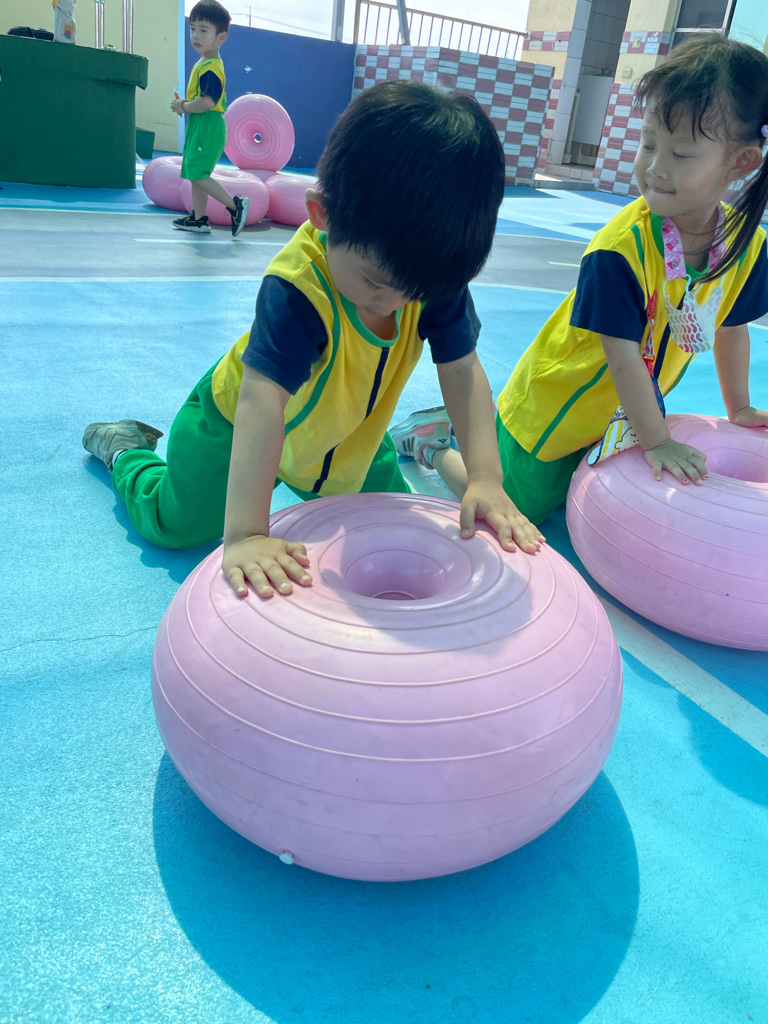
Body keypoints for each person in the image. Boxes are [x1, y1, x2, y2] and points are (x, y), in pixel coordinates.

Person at [82, 80, 544, 599]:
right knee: (174, 526)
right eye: (375, 283)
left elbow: (461, 369)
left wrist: (485, 477)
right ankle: (124, 448)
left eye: (413, 293)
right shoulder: (299, 289)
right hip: (239, 424)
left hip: (350, 436)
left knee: (394, 532)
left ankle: (419, 443)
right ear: (322, 216)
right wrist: (247, 534)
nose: (394, 303)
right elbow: (262, 402)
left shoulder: (426, 271)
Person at [391, 34, 768, 525]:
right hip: (555, 408)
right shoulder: (620, 250)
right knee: (513, 507)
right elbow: (622, 355)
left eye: (681, 154)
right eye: (648, 143)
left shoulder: (747, 245)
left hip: (618, 413)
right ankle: (433, 443)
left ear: (740, 162)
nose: (655, 168)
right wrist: (657, 441)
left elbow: (731, 326)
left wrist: (739, 408)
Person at [170, 0, 249, 236]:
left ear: (221, 37)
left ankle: (235, 206)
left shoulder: (212, 67)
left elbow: (207, 102)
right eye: (193, 28)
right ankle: (199, 219)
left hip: (208, 125)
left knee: (197, 173)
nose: (196, 35)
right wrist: (186, 105)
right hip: (201, 125)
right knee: (196, 172)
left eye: (203, 30)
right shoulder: (205, 62)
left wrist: (184, 106)